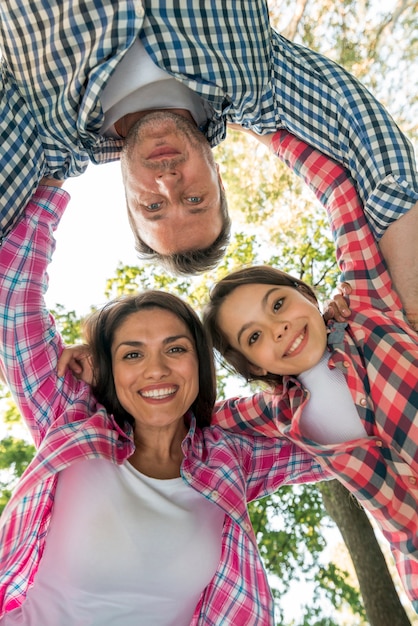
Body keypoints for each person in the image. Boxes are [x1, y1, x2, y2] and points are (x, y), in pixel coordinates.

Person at [0, 181, 329, 624]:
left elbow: (342, 432)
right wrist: (55, 171)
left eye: (175, 349)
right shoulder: (71, 418)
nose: (156, 369)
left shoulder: (230, 460)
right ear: (109, 369)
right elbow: (13, 302)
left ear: (200, 365)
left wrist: (342, 334)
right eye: (132, 354)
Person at [1, 1, 418, 325]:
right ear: (218, 175)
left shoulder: (46, 132)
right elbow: (379, 160)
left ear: (126, 199)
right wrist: (403, 319)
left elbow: (13, 311)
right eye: (196, 198)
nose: (168, 184)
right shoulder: (259, 84)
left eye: (154, 207)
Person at [202, 131, 418, 611]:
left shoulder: (367, 309)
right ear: (254, 365)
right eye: (253, 337)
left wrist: (257, 128)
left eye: (277, 304)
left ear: (306, 292)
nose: (277, 330)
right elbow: (183, 412)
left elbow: (339, 192)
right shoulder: (276, 414)